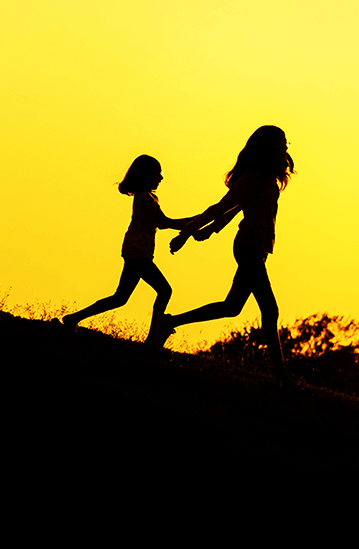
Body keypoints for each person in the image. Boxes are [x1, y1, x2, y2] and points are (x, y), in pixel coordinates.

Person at [157, 125, 294, 386]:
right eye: (281, 142)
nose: (285, 147)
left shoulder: (268, 179)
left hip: (258, 251)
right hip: (248, 249)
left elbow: (235, 210)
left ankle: (169, 322)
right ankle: (282, 380)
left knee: (231, 307)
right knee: (270, 310)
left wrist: (212, 230)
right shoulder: (252, 178)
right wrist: (186, 232)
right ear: (268, 146)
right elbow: (220, 207)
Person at [62, 155, 191, 340]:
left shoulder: (149, 197)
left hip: (136, 250)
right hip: (138, 252)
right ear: (147, 175)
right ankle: (153, 338)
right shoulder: (146, 198)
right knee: (164, 290)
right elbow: (165, 222)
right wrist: (199, 221)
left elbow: (162, 224)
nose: (161, 178)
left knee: (120, 297)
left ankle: (73, 318)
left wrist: (197, 223)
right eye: (158, 173)